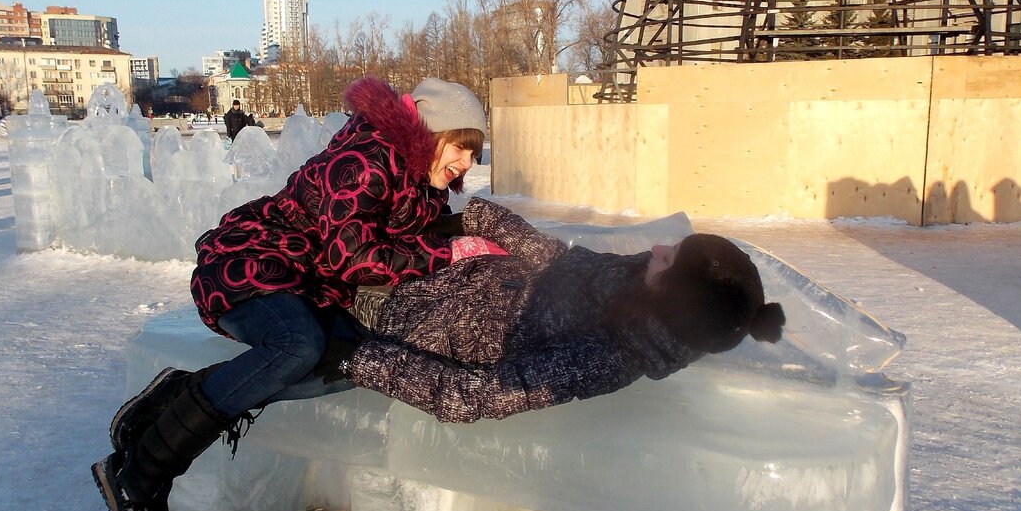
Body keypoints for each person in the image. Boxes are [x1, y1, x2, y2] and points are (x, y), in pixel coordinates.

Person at [93, 76, 487, 511]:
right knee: (297, 346)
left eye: (474, 153)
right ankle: (141, 473)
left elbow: (401, 242)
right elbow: (354, 256)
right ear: (429, 135)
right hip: (251, 261)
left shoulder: (422, 185)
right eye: (460, 148)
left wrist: (472, 239)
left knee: (360, 365)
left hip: (308, 284)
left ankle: (174, 398)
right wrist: (448, 253)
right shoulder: (365, 161)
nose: (468, 163)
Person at [336, 197, 786, 423]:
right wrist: (481, 219)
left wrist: (355, 357)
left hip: (397, 325)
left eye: (668, 258)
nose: (657, 246)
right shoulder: (637, 280)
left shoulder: (609, 359)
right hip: (430, 273)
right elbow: (559, 260)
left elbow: (475, 396)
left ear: (673, 298)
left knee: (286, 300)